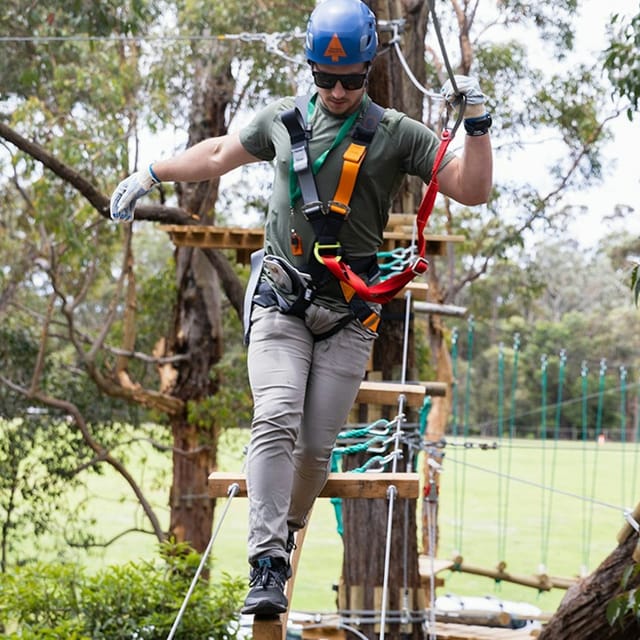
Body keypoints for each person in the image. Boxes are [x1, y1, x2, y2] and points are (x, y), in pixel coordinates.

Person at [110, 0, 492, 617]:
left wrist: (477, 126)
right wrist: (151, 171)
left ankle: (283, 533)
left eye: (351, 79)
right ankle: (265, 560)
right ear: (311, 68)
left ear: (369, 70)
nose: (338, 90)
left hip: (348, 313)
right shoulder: (282, 122)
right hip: (281, 302)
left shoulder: (396, 133)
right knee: (276, 414)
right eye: (325, 77)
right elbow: (213, 155)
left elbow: (472, 189)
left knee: (316, 448)